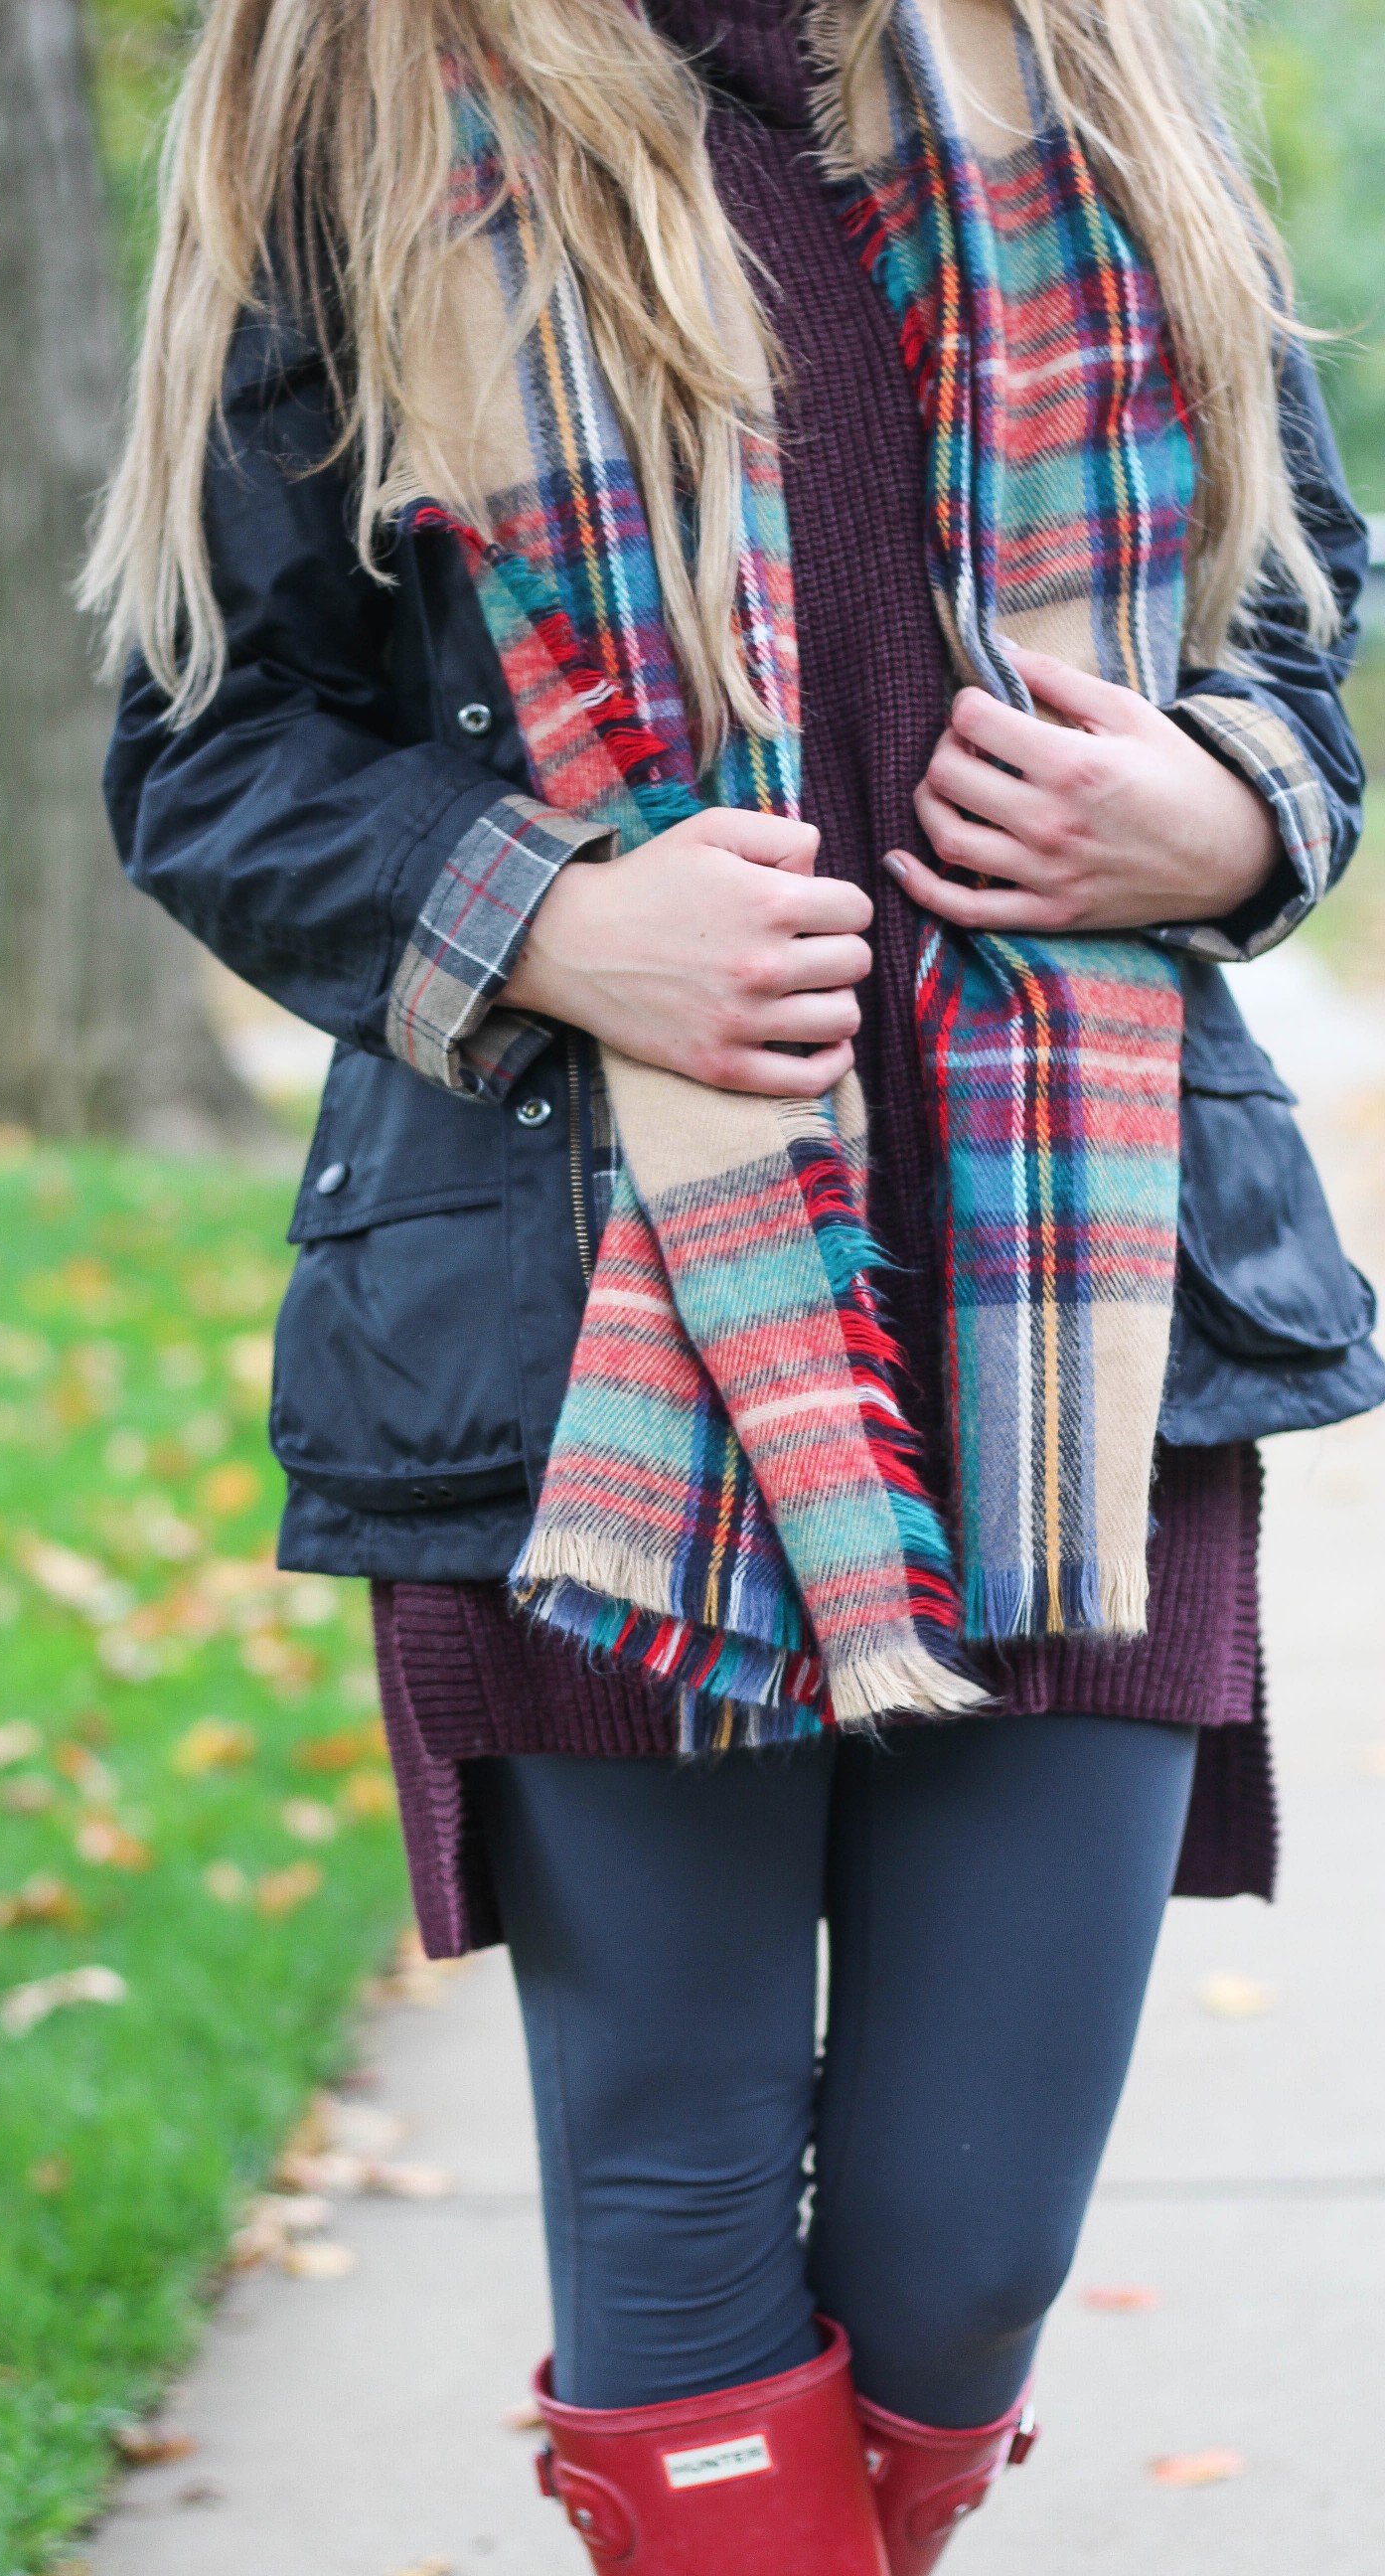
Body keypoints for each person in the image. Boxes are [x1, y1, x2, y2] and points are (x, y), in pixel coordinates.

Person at [89, 2, 1380, 2565]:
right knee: (674, 2183)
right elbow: (204, 740)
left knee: (967, 2248)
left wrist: (1222, 805)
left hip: (1076, 1324)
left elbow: (1296, 616)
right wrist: (559, 922)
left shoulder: (1098, 65)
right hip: (587, 1327)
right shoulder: (353, 92)